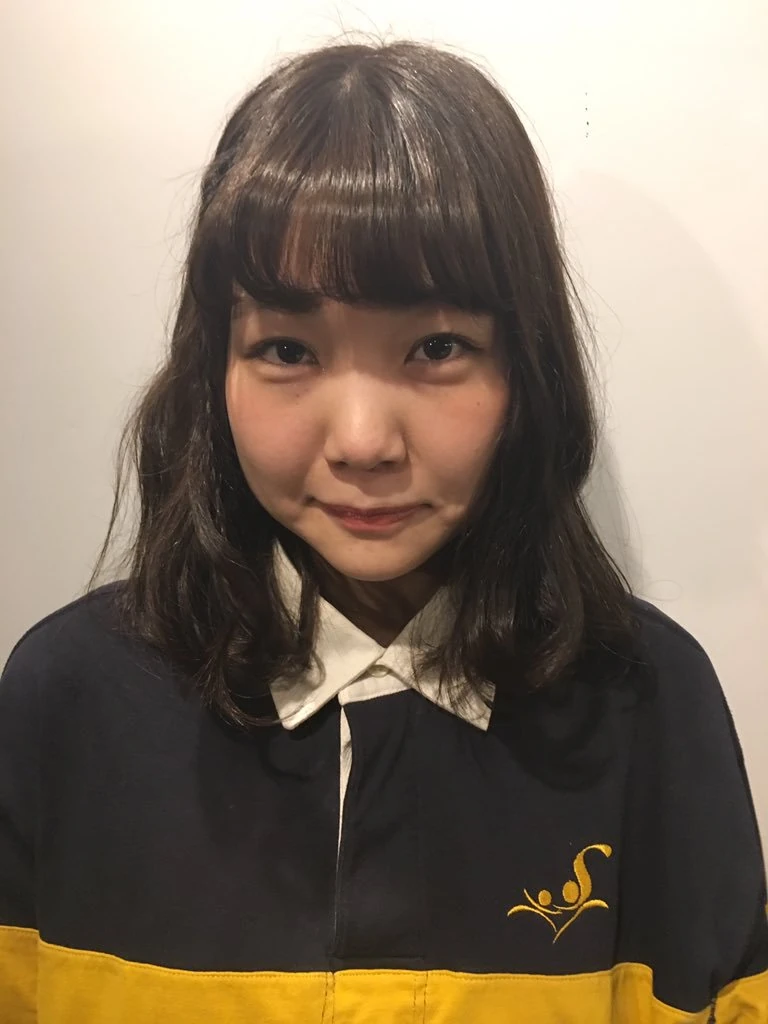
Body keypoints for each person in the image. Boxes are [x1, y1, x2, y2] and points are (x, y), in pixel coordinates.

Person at [0, 36, 766, 1024]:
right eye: (287, 349)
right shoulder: (66, 700)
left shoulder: (648, 704)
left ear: (525, 373)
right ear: (211, 369)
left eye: (437, 347)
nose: (363, 441)